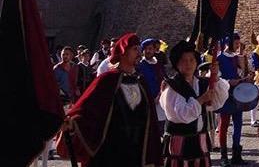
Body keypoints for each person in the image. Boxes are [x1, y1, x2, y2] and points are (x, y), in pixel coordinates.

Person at [57, 33, 162, 167]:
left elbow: (150, 120)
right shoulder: (107, 80)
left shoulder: (141, 83)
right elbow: (88, 109)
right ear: (124, 51)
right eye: (135, 49)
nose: (139, 53)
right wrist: (73, 123)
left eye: (139, 49)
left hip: (136, 151)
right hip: (110, 151)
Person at [160, 39, 229, 167]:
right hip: (179, 143)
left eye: (192, 60)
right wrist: (201, 99)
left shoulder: (202, 83)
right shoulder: (172, 87)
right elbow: (181, 116)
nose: (189, 64)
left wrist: (215, 76)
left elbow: (218, 102)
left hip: (199, 141)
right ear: (177, 64)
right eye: (184, 61)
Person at [216, 33, 252, 166]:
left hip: (238, 96)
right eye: (236, 43)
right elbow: (215, 77)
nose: (238, 45)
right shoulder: (219, 58)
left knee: (238, 125)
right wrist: (228, 82)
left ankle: (237, 155)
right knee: (224, 125)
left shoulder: (238, 58)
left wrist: (246, 78)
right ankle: (224, 157)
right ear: (228, 43)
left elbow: (242, 73)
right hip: (225, 96)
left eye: (238, 43)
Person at [139, 38, 167, 131]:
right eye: (146, 49)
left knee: (159, 129)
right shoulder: (139, 66)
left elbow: (164, 80)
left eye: (150, 49)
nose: (148, 51)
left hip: (158, 101)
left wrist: (159, 95)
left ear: (154, 50)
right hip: (144, 102)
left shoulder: (158, 65)